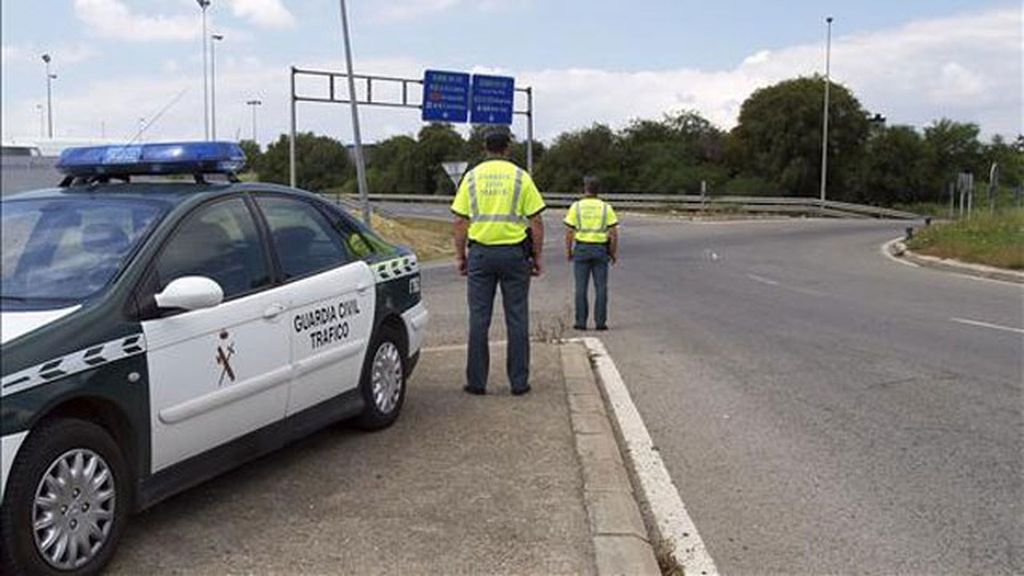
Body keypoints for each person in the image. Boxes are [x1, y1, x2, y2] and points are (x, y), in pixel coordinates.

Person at [451, 129, 546, 396]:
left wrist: (461, 256)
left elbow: (459, 221)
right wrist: (537, 256)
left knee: (479, 319)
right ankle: (519, 382)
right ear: (507, 148)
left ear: (485, 147)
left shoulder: (471, 178)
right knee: (517, 318)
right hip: (515, 256)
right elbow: (536, 220)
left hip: (481, 255)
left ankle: (476, 382)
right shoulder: (520, 177)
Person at [564, 175, 618, 331]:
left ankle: (581, 322)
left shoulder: (577, 207)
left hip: (581, 248)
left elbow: (569, 231)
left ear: (585, 189)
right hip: (600, 249)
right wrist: (613, 253)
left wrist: (568, 251)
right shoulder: (605, 207)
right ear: (598, 190)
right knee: (601, 287)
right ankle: (600, 322)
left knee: (581, 288)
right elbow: (613, 232)